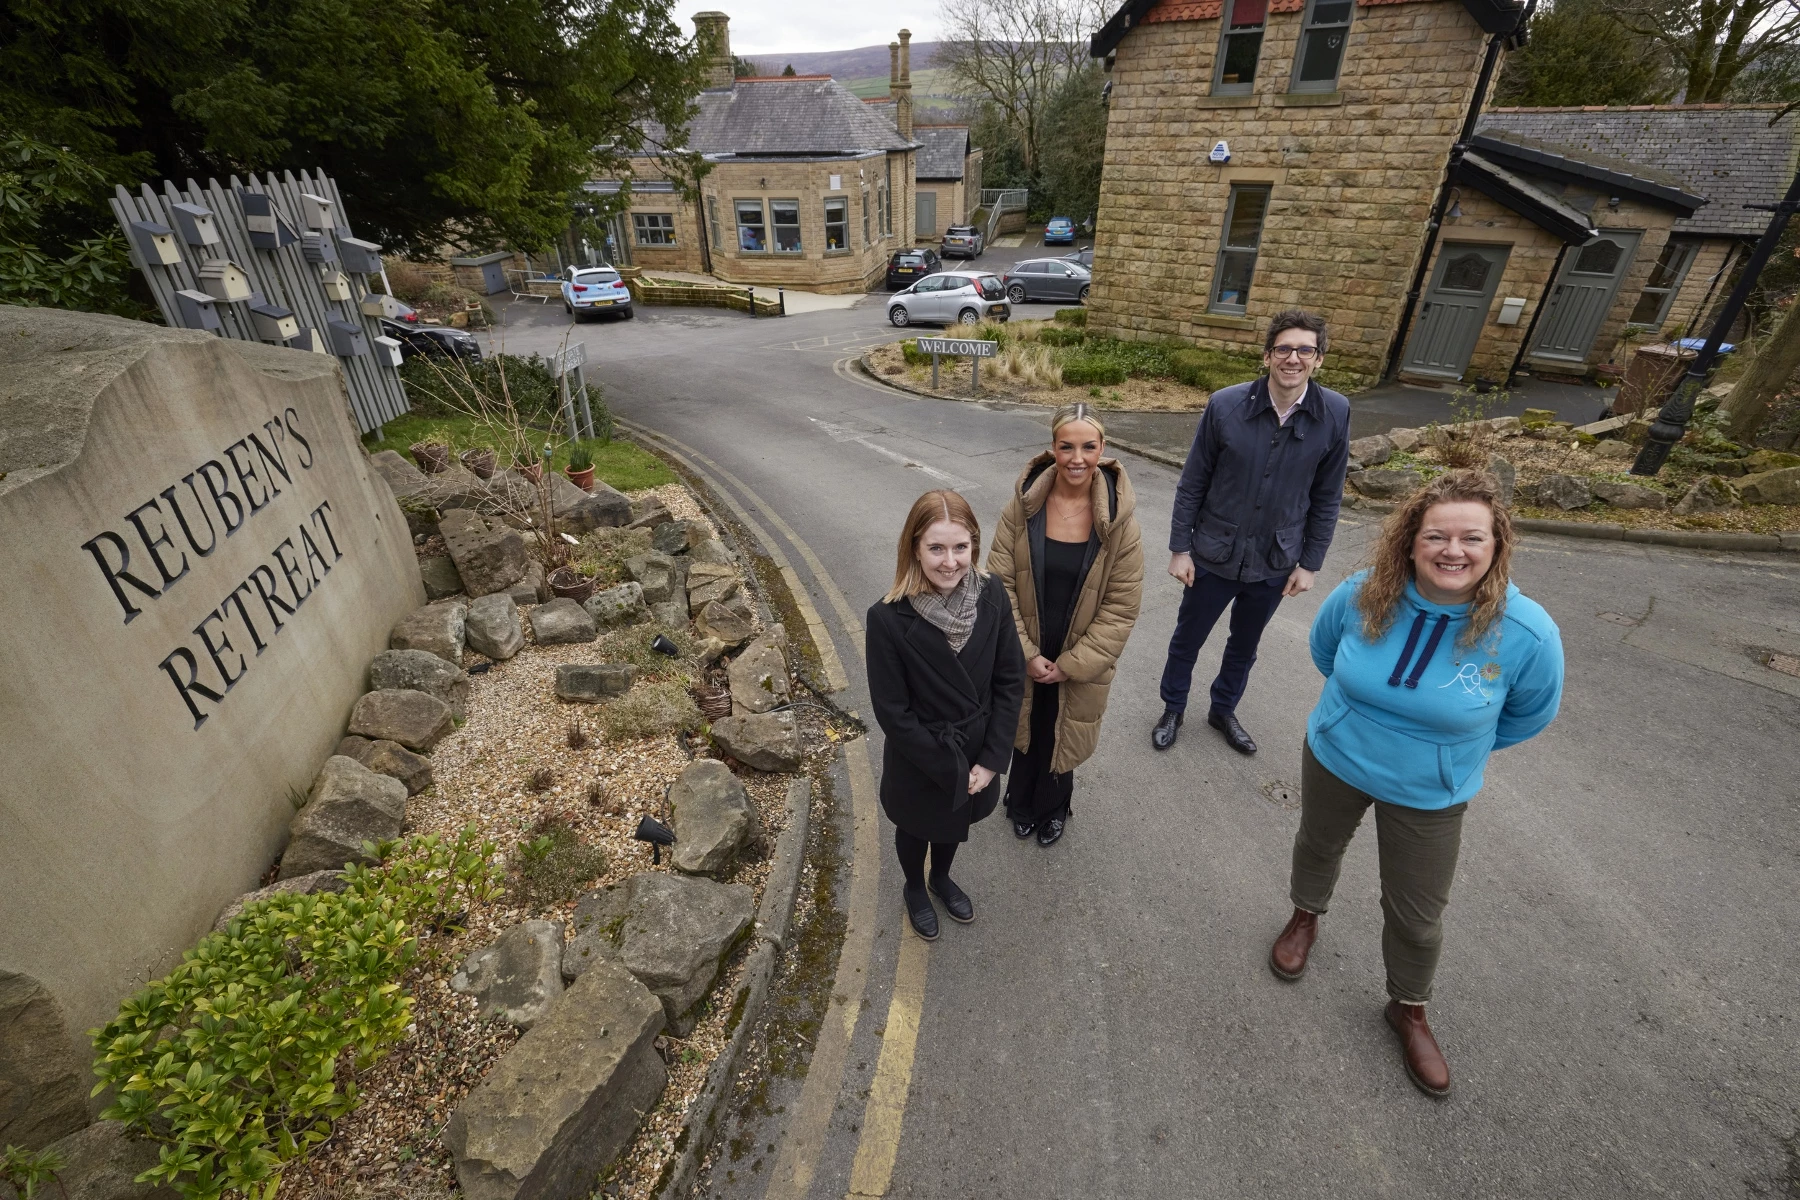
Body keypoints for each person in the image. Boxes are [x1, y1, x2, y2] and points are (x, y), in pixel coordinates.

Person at [1268, 469, 1564, 1097]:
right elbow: (1326, 656)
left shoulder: (1528, 633)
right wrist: (1357, 717)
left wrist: (1445, 752)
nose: (1452, 551)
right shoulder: (1359, 593)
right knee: (1317, 846)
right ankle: (1304, 918)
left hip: (1431, 793)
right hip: (1336, 757)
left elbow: (1528, 715)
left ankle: (1408, 1007)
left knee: (1417, 913)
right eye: (1436, 536)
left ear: (1496, 545)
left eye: (1471, 538)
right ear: (1410, 541)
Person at [1152, 310, 1351, 755]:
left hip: (1275, 561)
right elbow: (1193, 482)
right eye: (1283, 348)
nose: (1293, 358)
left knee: (1245, 645)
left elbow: (1327, 495)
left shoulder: (1335, 413)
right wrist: (1179, 548)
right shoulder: (1225, 404)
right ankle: (1173, 707)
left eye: (1305, 349)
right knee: (1188, 638)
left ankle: (1223, 709)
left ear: (1318, 359)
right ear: (1267, 356)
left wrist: (1310, 563)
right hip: (1212, 553)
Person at [865, 490, 1027, 940]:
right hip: (922, 756)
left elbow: (1010, 680)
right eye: (936, 548)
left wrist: (992, 760)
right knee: (917, 827)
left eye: (960, 547)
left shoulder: (992, 594)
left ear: (974, 544)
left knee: (954, 824)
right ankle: (916, 886)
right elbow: (892, 712)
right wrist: (950, 768)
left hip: (978, 750)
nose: (950, 561)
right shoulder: (886, 619)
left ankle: (941, 878)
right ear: (914, 548)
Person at [987, 403, 1144, 846]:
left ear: (1103, 449)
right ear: (1052, 447)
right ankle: (1019, 802)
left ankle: (1054, 807)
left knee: (1064, 726)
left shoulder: (1120, 522)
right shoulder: (1022, 507)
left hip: (1080, 651)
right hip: (1027, 642)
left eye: (1088, 447)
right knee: (1026, 723)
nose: (1077, 458)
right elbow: (999, 584)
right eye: (1066, 446)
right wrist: (1026, 653)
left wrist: (1072, 664)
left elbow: (1121, 605)